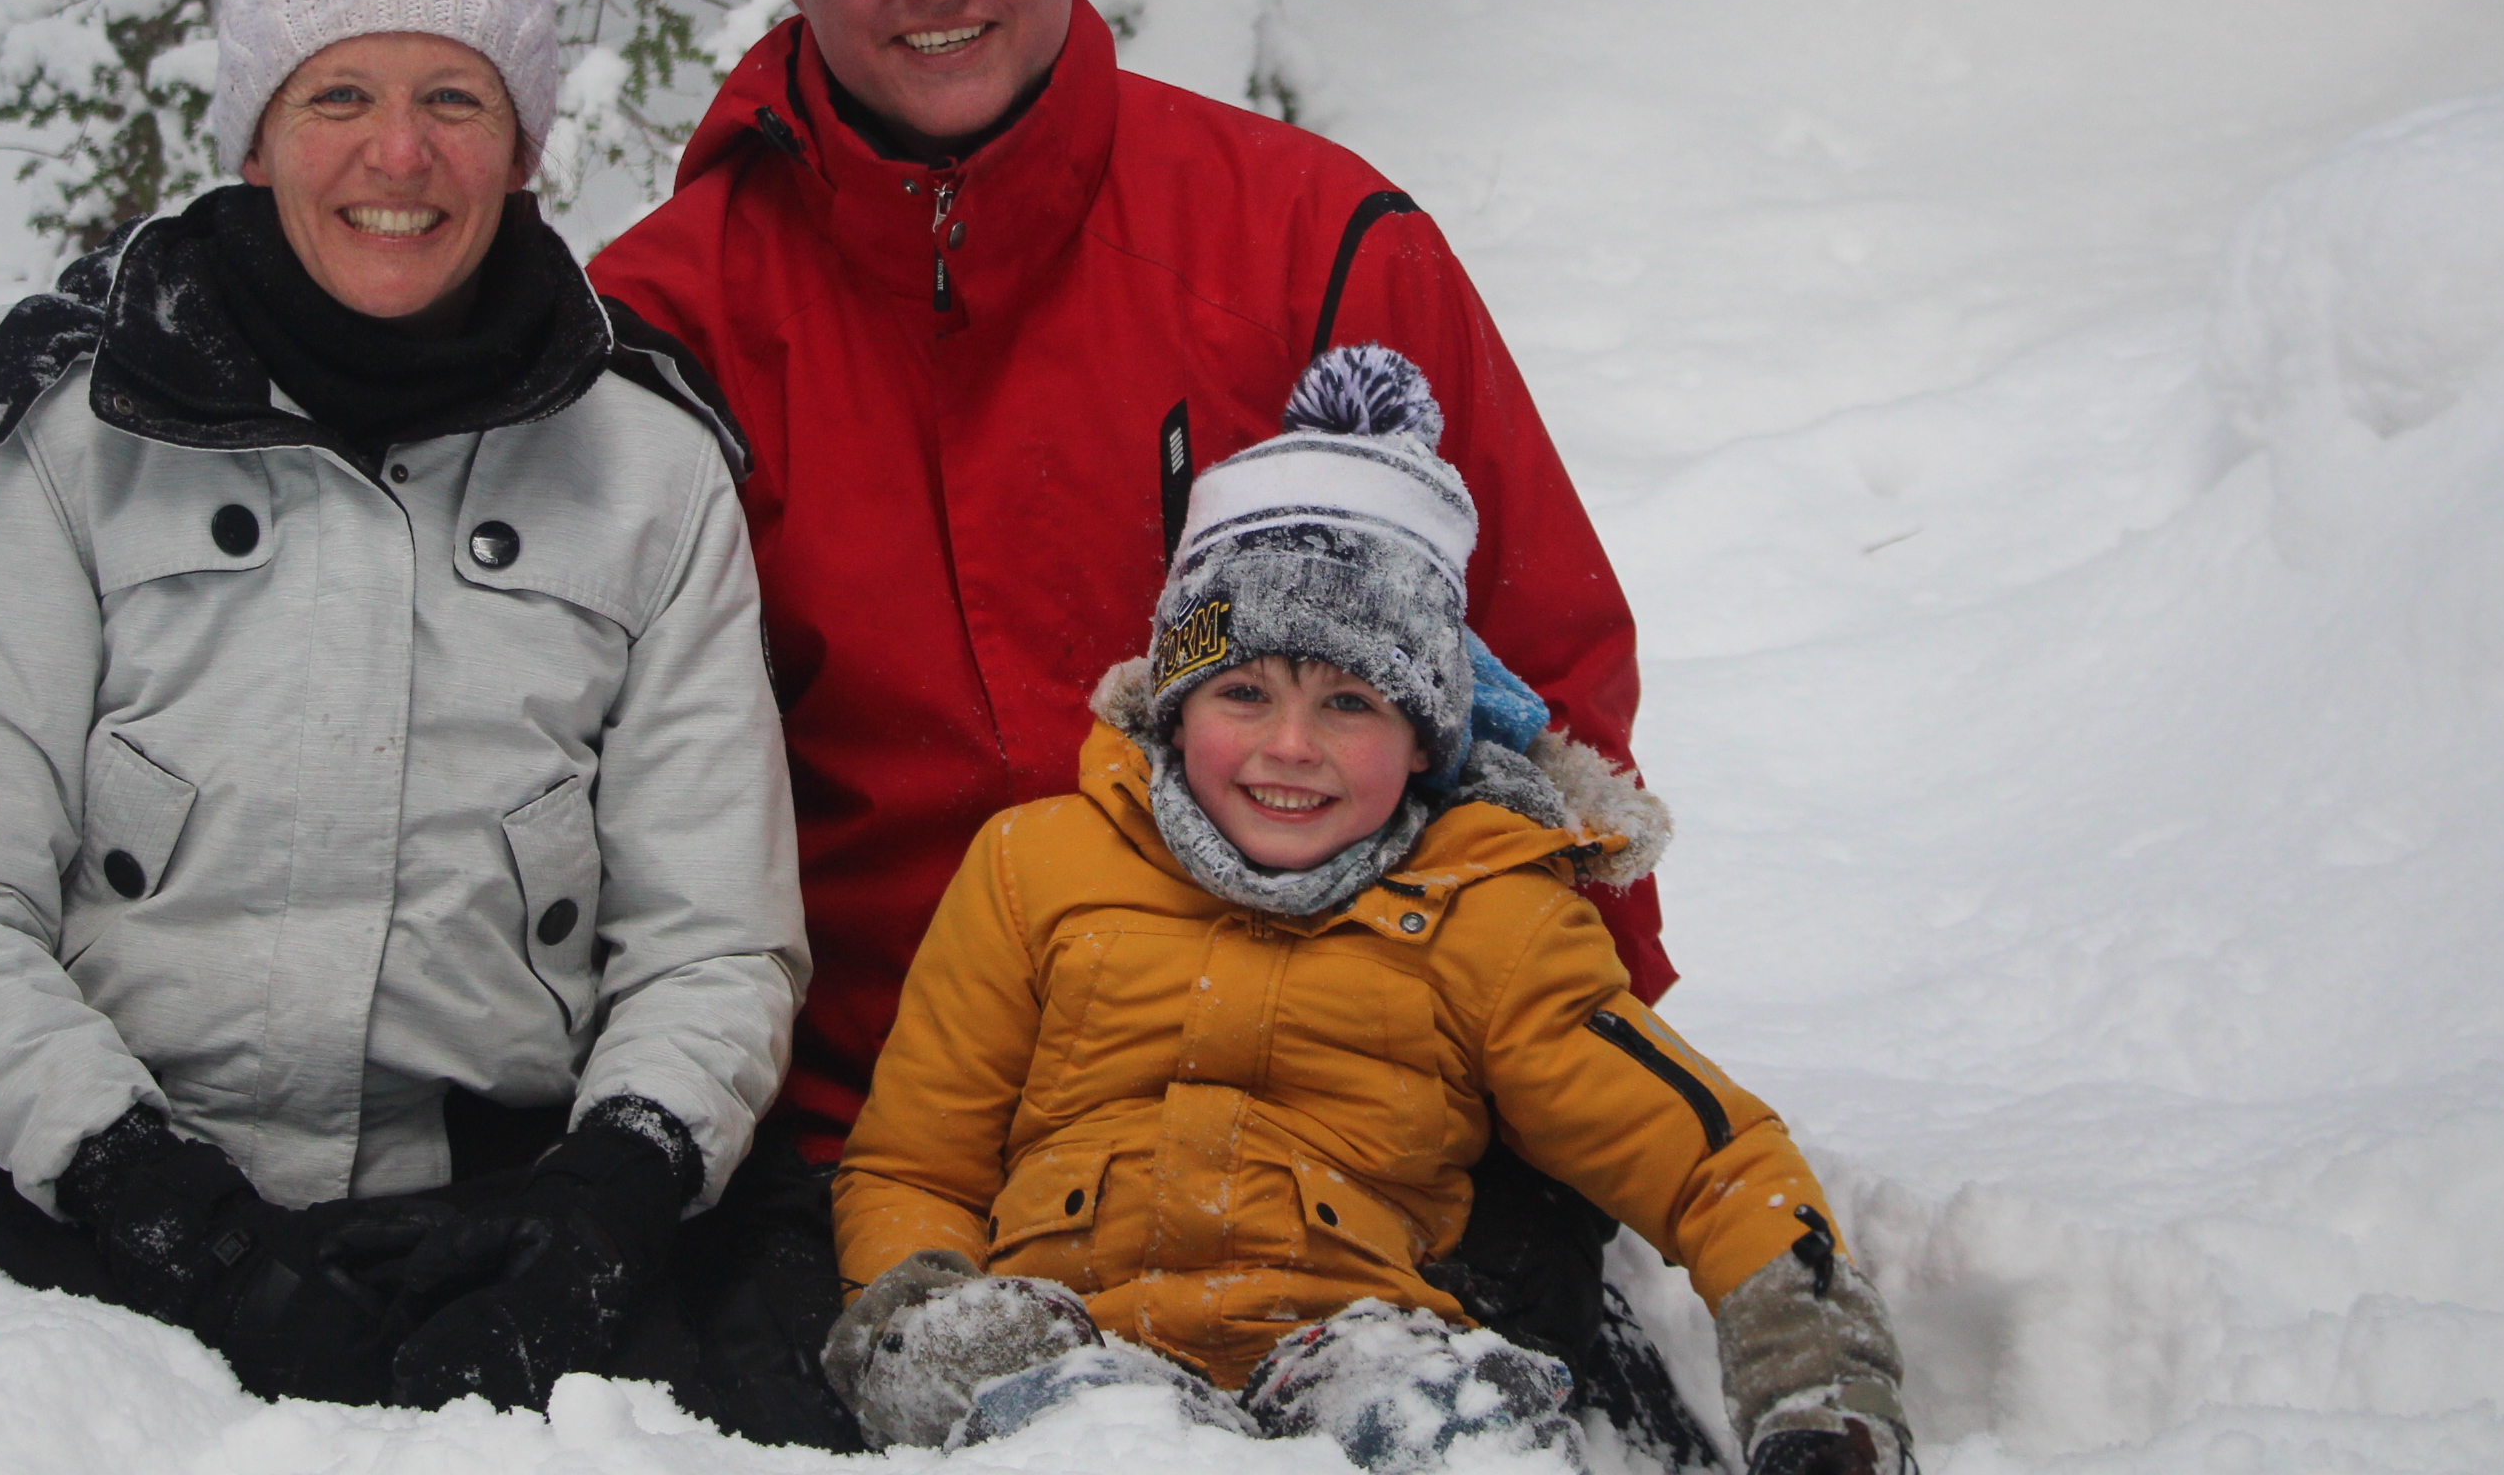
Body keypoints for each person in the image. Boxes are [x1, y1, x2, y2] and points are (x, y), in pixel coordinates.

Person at [588, 0, 1689, 1426]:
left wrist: (1558, 1083)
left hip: (1335, 1092)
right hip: (880, 1128)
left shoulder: (1309, 238)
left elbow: (1547, 679)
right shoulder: (669, 313)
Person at [0, 0, 820, 1423]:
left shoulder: (648, 464)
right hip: (117, 1206)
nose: (399, 153)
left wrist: (606, 1205)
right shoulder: (70, 432)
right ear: (255, 133)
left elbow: (715, 937)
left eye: (456, 97)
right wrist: (167, 1207)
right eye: (337, 95)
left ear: (521, 147)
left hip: (501, 1221)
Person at [819, 349, 1913, 1475]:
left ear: (1427, 736)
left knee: (1459, 1431)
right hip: (1070, 1356)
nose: (1290, 748)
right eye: (1244, 693)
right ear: (1177, 704)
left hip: (1358, 1356)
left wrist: (1812, 1366)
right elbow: (916, 1165)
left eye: (1350, 702)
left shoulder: (1485, 909)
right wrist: (922, 1310)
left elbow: (1702, 1158)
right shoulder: (1035, 868)